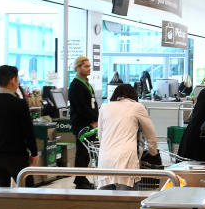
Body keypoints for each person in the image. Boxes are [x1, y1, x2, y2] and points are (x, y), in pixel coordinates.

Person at [0, 65, 38, 187]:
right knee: (28, 192)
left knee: (2, 195)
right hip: (16, 157)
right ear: (13, 80)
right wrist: (34, 152)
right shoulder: (19, 104)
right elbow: (28, 131)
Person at [96, 84, 159, 190]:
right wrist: (153, 151)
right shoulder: (137, 107)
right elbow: (150, 133)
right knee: (127, 202)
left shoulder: (105, 107)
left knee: (105, 202)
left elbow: (100, 135)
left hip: (105, 158)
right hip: (126, 159)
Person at [68, 56, 99, 190]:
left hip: (90, 123)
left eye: (89, 66)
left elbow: (91, 103)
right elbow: (81, 107)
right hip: (83, 124)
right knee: (82, 153)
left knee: (86, 153)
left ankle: (81, 177)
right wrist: (92, 121)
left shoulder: (86, 83)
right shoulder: (76, 85)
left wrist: (97, 118)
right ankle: (79, 180)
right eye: (86, 66)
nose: (89, 68)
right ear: (78, 68)